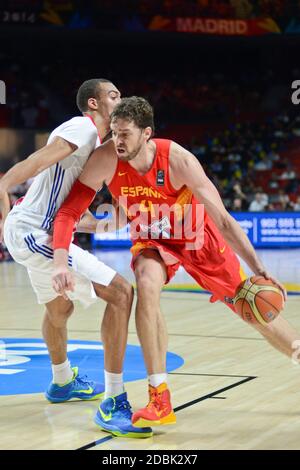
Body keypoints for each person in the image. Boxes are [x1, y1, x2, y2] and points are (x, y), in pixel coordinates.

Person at [52, 96, 300, 431]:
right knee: (146, 285)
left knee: (253, 308)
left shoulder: (178, 160)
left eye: (125, 134)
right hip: (153, 239)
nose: (117, 140)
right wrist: (76, 223)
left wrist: (257, 267)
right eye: (113, 132)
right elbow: (110, 216)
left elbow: (224, 221)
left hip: (198, 239)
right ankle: (160, 396)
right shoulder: (106, 159)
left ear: (147, 134)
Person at [0, 83, 152, 438]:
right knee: (120, 293)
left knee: (59, 311)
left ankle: (62, 381)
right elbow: (32, 163)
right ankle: (114, 399)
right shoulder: (81, 127)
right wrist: (3, 189)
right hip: (34, 232)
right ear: (95, 103)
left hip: (39, 230)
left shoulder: (99, 148)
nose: (120, 97)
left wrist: (112, 221)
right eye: (113, 94)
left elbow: (72, 213)